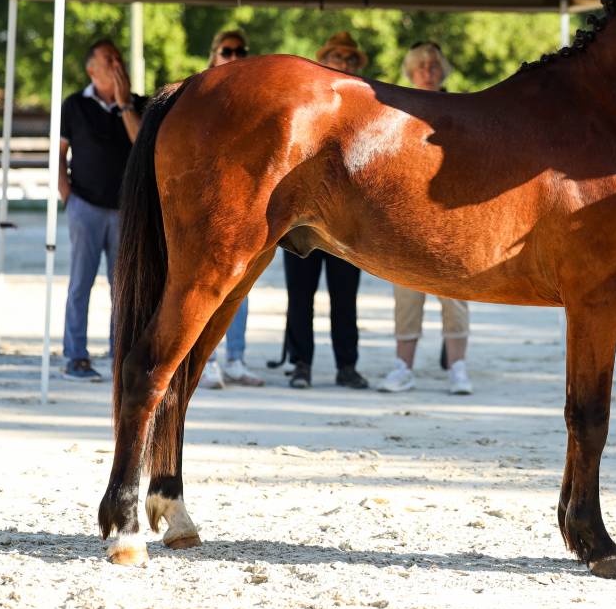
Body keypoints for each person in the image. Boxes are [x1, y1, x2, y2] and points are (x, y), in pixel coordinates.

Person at [275, 31, 370, 390]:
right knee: (300, 295)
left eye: (349, 59)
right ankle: (301, 363)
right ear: (323, 61)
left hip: (343, 215)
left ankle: (347, 365)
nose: (343, 63)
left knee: (345, 297)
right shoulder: (306, 102)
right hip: (302, 214)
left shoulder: (364, 108)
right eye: (337, 57)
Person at [377, 42, 473, 396]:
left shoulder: (459, 107)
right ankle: (403, 367)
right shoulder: (398, 108)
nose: (428, 71)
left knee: (455, 294)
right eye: (421, 66)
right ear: (411, 71)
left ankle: (458, 367)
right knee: (406, 293)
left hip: (450, 215)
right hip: (408, 215)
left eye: (433, 65)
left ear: (442, 69)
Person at [58, 39, 146, 381]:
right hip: (85, 205)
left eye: (119, 58)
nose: (117, 63)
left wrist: (124, 106)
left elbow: (142, 144)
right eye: (109, 59)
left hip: (126, 210)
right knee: (80, 283)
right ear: (92, 69)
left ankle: (119, 355)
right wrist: (67, 197)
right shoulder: (75, 105)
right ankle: (75, 356)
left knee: (123, 287)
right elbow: (58, 153)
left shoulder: (139, 104)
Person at [199, 29, 264, 389]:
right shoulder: (201, 93)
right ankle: (206, 359)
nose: (234, 57)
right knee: (205, 285)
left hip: (243, 204)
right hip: (208, 201)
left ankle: (235, 358)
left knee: (240, 285)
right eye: (227, 51)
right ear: (214, 53)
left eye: (241, 51)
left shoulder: (255, 97)